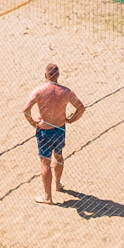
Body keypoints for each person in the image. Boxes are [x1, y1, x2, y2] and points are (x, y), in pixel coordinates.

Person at [23, 63, 84, 203]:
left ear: (46, 75)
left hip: (44, 130)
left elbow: (26, 109)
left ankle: (47, 196)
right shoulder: (66, 92)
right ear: (58, 75)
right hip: (59, 129)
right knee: (59, 155)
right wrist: (71, 119)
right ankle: (57, 184)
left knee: (45, 163)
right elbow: (80, 108)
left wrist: (32, 122)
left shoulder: (39, 90)